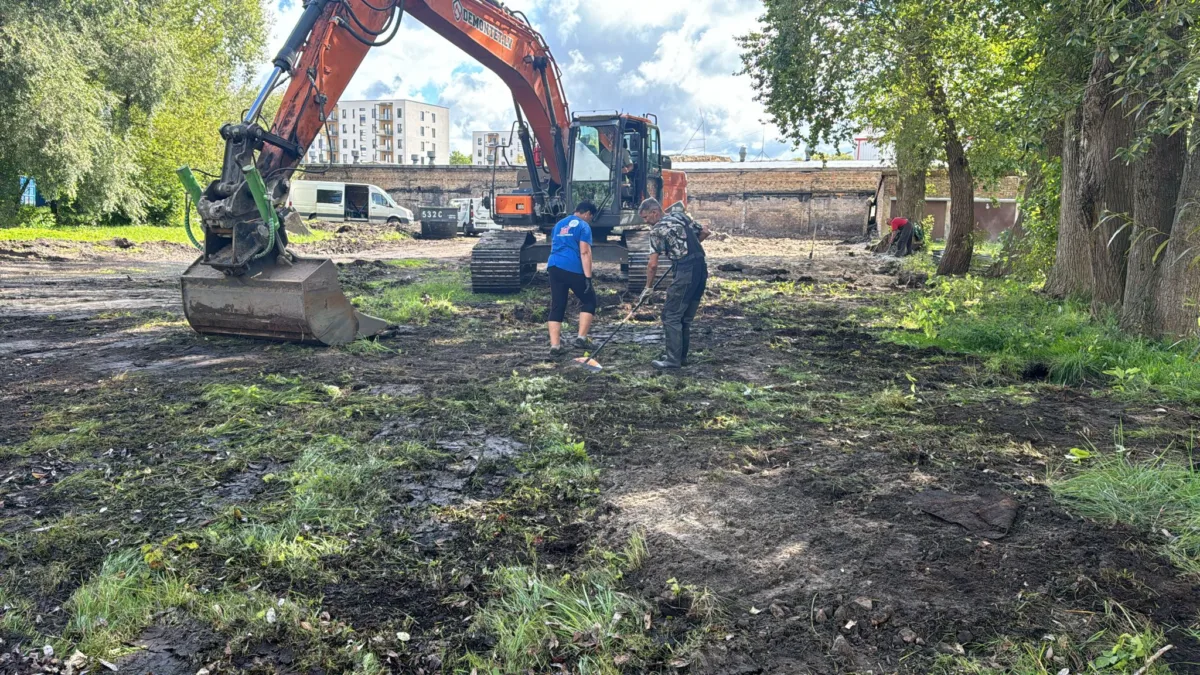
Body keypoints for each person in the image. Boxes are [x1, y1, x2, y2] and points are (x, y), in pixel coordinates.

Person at [640, 198, 711, 369]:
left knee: (671, 315)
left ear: (655, 213)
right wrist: (681, 251)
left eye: (645, 217)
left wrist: (648, 288)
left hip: (685, 273)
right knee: (685, 317)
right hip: (701, 270)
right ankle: (681, 356)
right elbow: (705, 232)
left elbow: (653, 264)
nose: (645, 222)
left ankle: (672, 360)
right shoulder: (680, 217)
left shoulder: (657, 230)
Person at [546, 201, 599, 356]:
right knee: (589, 300)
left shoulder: (559, 225)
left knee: (558, 305)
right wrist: (588, 277)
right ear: (588, 213)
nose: (590, 219)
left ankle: (555, 347)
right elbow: (585, 252)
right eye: (591, 217)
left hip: (554, 266)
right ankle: (581, 338)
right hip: (572, 268)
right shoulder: (583, 226)